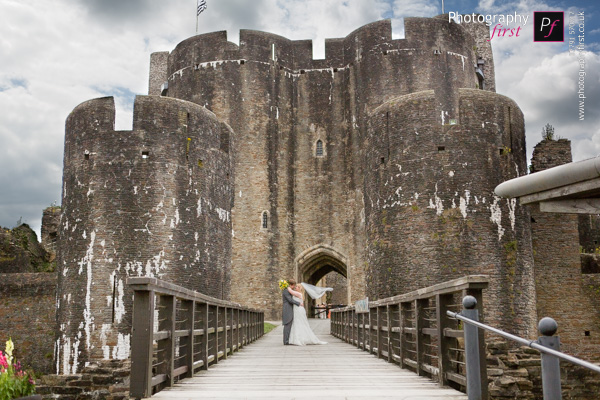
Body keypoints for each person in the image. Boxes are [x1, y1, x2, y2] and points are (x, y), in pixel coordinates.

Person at [282, 278, 301, 345]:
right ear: (291, 285)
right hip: (287, 309)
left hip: (289, 308)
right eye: (293, 286)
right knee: (287, 324)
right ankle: (286, 341)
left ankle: (287, 340)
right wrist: (298, 303)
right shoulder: (286, 291)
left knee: (289, 325)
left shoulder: (288, 290)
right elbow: (290, 300)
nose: (294, 287)